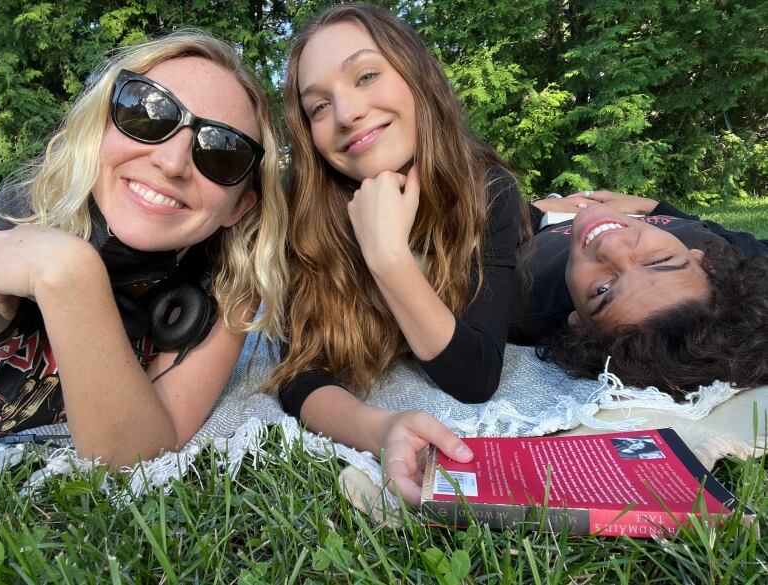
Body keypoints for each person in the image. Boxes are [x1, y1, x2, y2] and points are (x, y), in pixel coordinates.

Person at [0, 30, 288, 466]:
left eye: (222, 153)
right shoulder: (9, 221)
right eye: (148, 114)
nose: (172, 163)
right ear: (101, 128)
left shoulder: (229, 284)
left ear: (239, 206)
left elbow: (137, 455)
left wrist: (70, 275)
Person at [273, 3, 532, 504]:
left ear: (418, 79)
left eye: (366, 75)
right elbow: (300, 375)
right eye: (319, 107)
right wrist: (380, 427)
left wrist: (388, 257)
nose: (346, 114)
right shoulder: (302, 216)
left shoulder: (489, 191)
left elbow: (476, 375)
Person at [511, 190, 768, 397]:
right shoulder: (733, 250)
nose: (612, 246)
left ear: (578, 323)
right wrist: (652, 206)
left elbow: (483, 238)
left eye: (602, 290)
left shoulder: (526, 298)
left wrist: (534, 211)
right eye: (659, 261)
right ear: (703, 261)